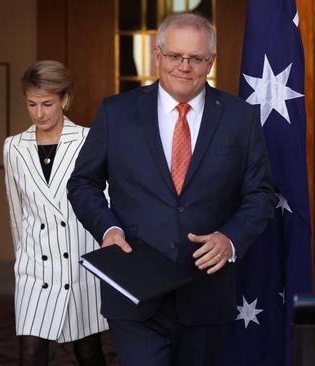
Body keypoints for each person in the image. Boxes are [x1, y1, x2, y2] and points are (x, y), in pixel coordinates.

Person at [67, 13, 277, 366]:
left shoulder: (240, 117)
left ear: (210, 62)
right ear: (158, 56)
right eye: (176, 56)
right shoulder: (116, 112)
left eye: (196, 58)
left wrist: (230, 239)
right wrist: (108, 228)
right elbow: (83, 183)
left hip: (206, 292)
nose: (185, 66)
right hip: (134, 289)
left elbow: (261, 194)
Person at [3, 60, 108, 366]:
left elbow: (105, 203)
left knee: (88, 353)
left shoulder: (89, 140)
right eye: (31, 104)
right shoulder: (14, 147)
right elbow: (15, 211)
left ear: (65, 99)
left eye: (47, 103)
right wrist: (22, 259)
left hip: (82, 266)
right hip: (35, 269)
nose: (39, 113)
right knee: (31, 353)